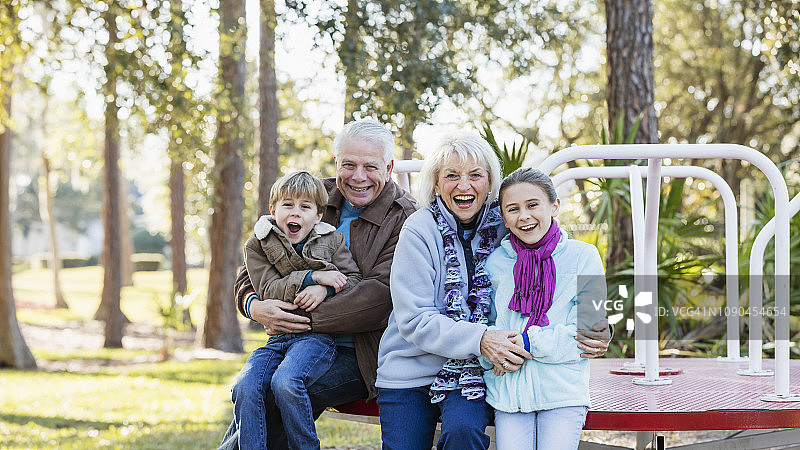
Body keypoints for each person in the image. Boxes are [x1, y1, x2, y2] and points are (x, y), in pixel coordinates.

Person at [375, 133, 613, 450]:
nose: (464, 185)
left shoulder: (505, 222)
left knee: (464, 432)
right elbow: (414, 319)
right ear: (435, 183)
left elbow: (553, 251)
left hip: (473, 370)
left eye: (475, 175)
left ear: (490, 183)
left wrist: (598, 325)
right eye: (451, 176)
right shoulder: (419, 230)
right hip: (413, 368)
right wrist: (483, 339)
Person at [218, 118, 418, 449]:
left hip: (362, 352)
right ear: (336, 162)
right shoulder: (310, 197)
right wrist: (256, 307)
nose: (358, 176)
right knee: (250, 388)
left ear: (389, 167)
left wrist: (297, 318)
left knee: (284, 391)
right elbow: (252, 269)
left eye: (370, 166)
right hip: (292, 343)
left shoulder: (405, 217)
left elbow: (381, 297)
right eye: (349, 164)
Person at [232, 170, 362, 450]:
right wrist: (312, 278)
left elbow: (352, 280)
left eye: (305, 207)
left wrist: (325, 289)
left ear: (318, 216)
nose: (296, 213)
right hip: (277, 338)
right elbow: (266, 290)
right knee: (245, 387)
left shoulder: (332, 240)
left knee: (287, 383)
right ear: (273, 209)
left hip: (315, 338)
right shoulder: (258, 244)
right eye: (288, 205)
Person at [482, 167, 607, 450]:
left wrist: (527, 342)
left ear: (554, 206)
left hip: (562, 392)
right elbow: (486, 326)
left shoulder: (584, 257)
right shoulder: (495, 263)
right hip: (509, 391)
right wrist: (494, 355)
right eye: (512, 209)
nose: (524, 216)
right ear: (503, 216)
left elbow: (588, 332)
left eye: (533, 205)